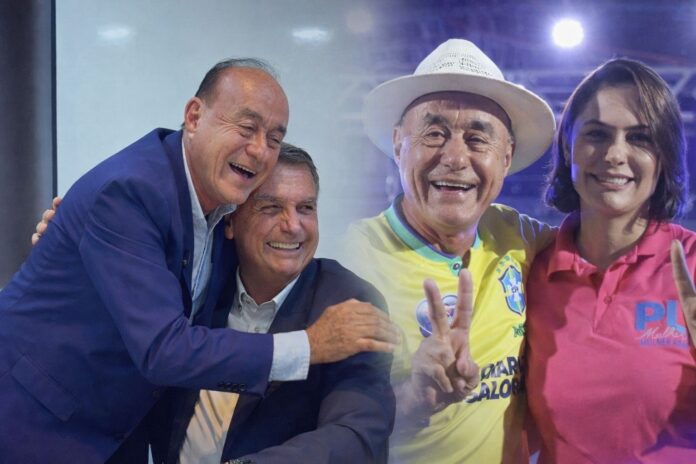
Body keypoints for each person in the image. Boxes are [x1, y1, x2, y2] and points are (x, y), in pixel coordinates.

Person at [0, 58, 399, 463]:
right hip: (35, 421)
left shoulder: (337, 296)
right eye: (246, 128)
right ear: (194, 116)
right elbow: (164, 349)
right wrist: (308, 347)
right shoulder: (129, 193)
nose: (259, 149)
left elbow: (359, 429)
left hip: (117, 434)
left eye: (274, 137)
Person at [343, 39, 556, 462]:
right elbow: (317, 421)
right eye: (435, 134)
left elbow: (610, 253)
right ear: (399, 144)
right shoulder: (348, 262)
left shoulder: (521, 238)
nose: (455, 157)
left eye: (477, 139)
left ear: (506, 157)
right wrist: (412, 398)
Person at [526, 58, 696, 463]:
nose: (615, 154)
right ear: (568, 147)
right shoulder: (529, 272)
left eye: (640, 138)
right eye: (597, 134)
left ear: (664, 155)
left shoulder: (691, 264)